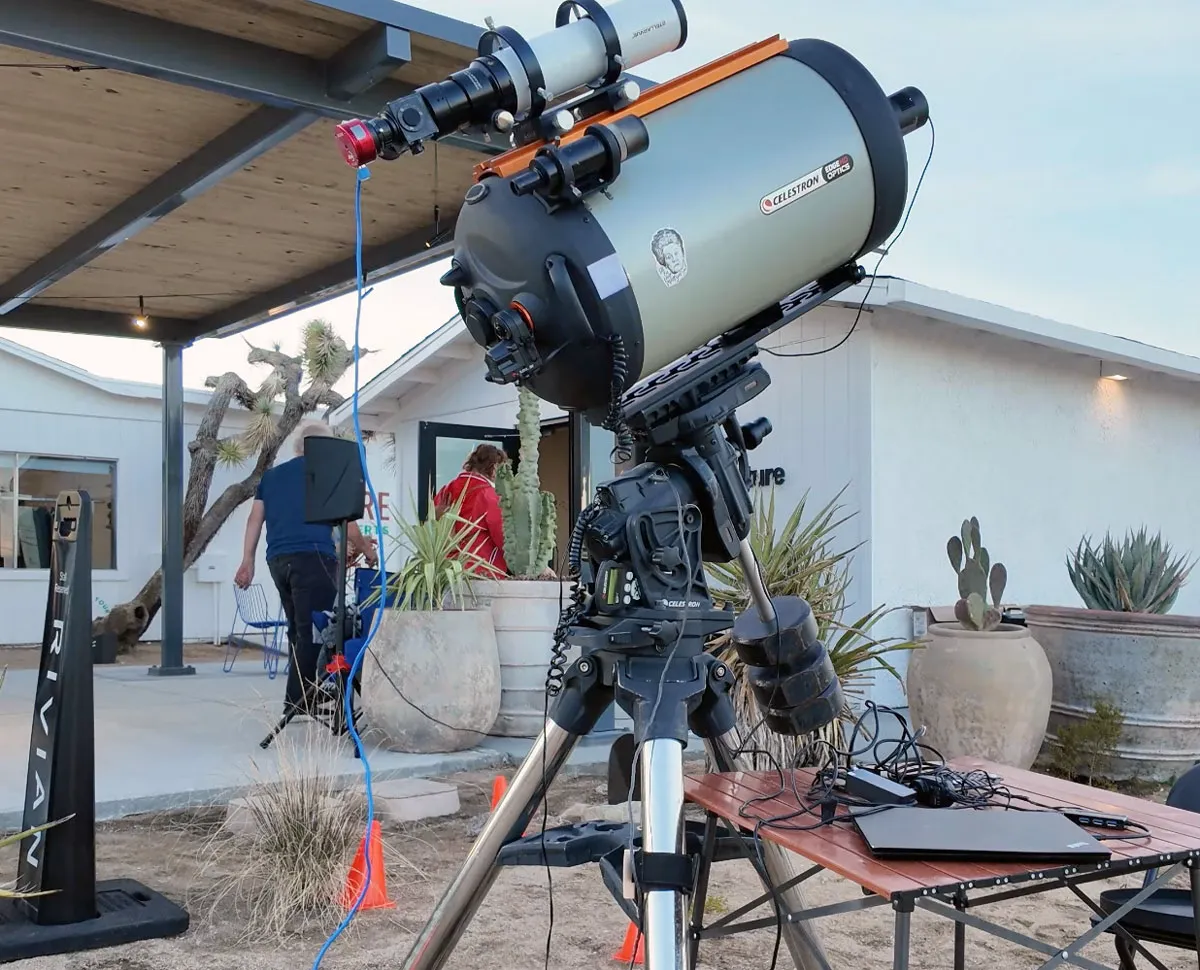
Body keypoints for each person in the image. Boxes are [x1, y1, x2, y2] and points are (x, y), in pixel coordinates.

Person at [234, 421, 378, 715]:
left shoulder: (271, 477)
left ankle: (300, 697)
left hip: (278, 560)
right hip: (313, 557)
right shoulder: (324, 474)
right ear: (324, 448)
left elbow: (254, 519)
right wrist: (367, 550)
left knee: (298, 630)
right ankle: (299, 701)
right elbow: (347, 523)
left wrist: (246, 560)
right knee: (315, 630)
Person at [433, 443, 510, 579]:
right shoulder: (489, 494)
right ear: (493, 469)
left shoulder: (447, 488)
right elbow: (504, 537)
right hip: (481, 570)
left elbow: (430, 524)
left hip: (446, 571)